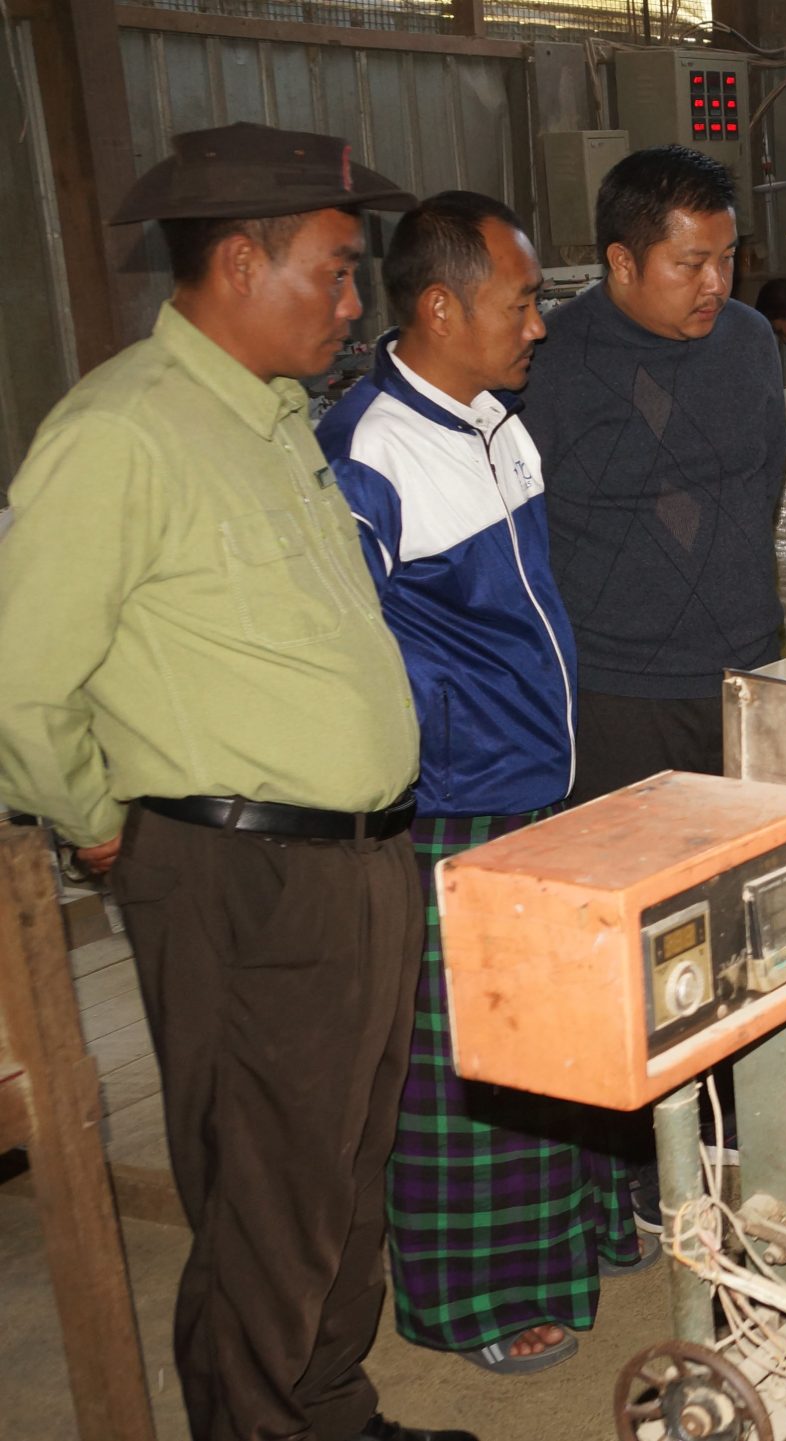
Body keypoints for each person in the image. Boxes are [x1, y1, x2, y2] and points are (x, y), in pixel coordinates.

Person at [0, 123, 473, 1441]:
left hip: (357, 862)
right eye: (333, 270)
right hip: (238, 871)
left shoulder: (274, 422)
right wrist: (101, 825)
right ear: (237, 265)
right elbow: (20, 681)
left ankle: (328, 1408)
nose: (351, 302)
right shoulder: (121, 434)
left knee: (340, 1170)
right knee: (266, 1190)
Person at [317, 191, 646, 1377]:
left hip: (541, 779)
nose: (538, 326)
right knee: (472, 1068)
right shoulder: (369, 450)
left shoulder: (501, 422)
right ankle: (476, 1296)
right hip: (454, 800)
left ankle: (581, 1233)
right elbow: (347, 648)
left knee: (559, 1034)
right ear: (441, 308)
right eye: (520, 303)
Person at [519, 145, 786, 806]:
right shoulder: (549, 361)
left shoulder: (749, 340)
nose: (717, 284)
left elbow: (764, 478)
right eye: (691, 264)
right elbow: (526, 531)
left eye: (728, 258)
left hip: (748, 675)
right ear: (622, 261)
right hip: (617, 693)